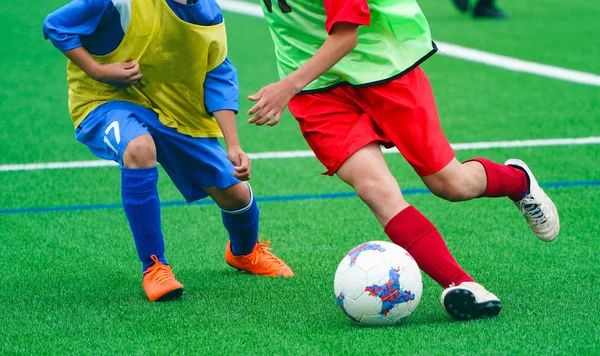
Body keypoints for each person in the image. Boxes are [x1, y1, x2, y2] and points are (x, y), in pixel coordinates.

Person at [247, 0, 558, 320]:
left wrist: (287, 86)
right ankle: (463, 284)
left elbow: (346, 36)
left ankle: (517, 180)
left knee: (452, 184)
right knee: (375, 191)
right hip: (316, 92)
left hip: (381, 71)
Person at [42, 0, 293, 302]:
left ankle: (245, 252)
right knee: (139, 147)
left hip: (173, 112)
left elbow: (217, 76)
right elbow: (56, 25)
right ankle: (155, 267)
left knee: (236, 193)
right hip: (102, 100)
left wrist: (234, 145)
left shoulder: (208, 14)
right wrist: (99, 70)